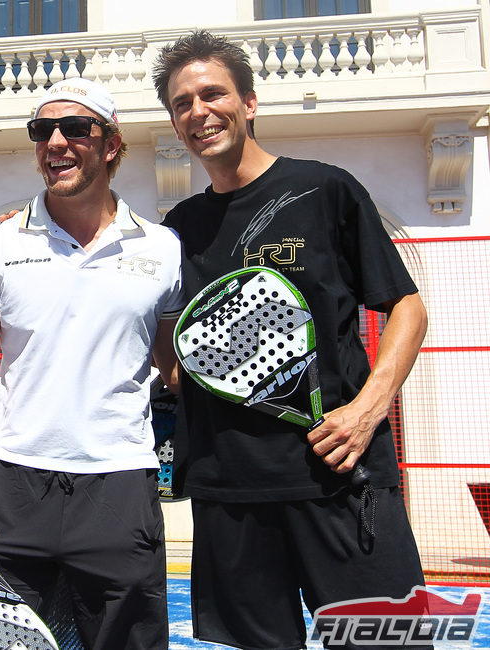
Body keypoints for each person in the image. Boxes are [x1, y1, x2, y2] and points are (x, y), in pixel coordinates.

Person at [152, 30, 430, 649]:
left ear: (249, 103)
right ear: (175, 124)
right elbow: (166, 340)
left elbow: (406, 307)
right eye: (182, 103)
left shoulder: (325, 190)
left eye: (213, 94)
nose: (199, 111)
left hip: (343, 478)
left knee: (391, 643)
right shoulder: (177, 230)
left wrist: (365, 410)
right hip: (229, 493)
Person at [0, 77, 183, 650]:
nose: (56, 142)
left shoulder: (162, 248)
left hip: (120, 486)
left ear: (111, 144)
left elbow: (175, 370)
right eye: (42, 130)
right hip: (14, 489)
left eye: (75, 128)